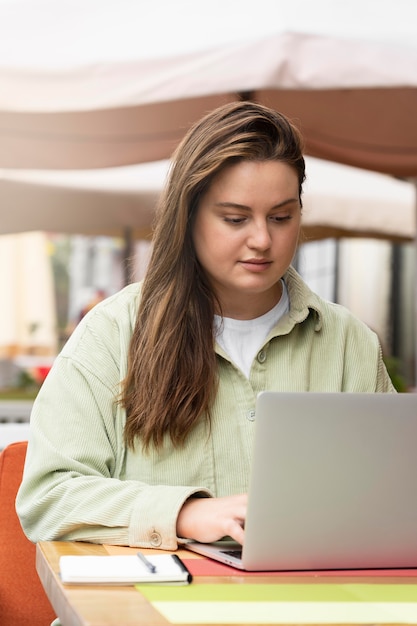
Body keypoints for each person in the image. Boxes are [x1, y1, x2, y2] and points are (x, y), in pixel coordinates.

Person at [16, 101, 395, 551]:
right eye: (235, 218)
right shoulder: (111, 333)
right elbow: (47, 496)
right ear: (189, 215)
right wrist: (184, 513)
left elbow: (393, 495)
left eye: (281, 217)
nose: (262, 239)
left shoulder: (349, 342)